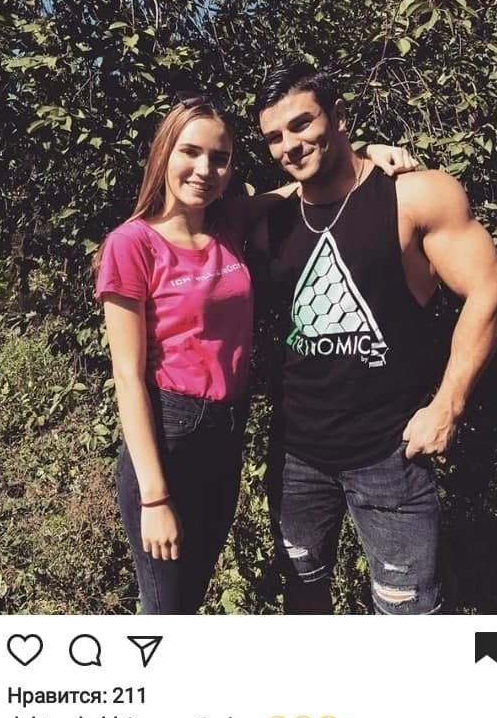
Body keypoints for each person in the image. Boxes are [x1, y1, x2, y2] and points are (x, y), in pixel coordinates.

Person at [95, 94, 418, 615]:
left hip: (226, 434)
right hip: (169, 436)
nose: (205, 170)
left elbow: (306, 183)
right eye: (190, 152)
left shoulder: (228, 224)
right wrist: (154, 497)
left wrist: (369, 155)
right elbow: (128, 377)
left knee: (191, 594)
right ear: (163, 154)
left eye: (219, 158)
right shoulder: (132, 245)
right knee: (165, 609)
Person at [251, 63, 497, 615]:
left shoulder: (414, 196)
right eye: (274, 137)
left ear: (339, 117)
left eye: (302, 124)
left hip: (390, 454)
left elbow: (490, 293)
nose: (289, 145)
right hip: (296, 453)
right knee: (302, 594)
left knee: (407, 614)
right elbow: (184, 214)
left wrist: (447, 406)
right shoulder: (272, 216)